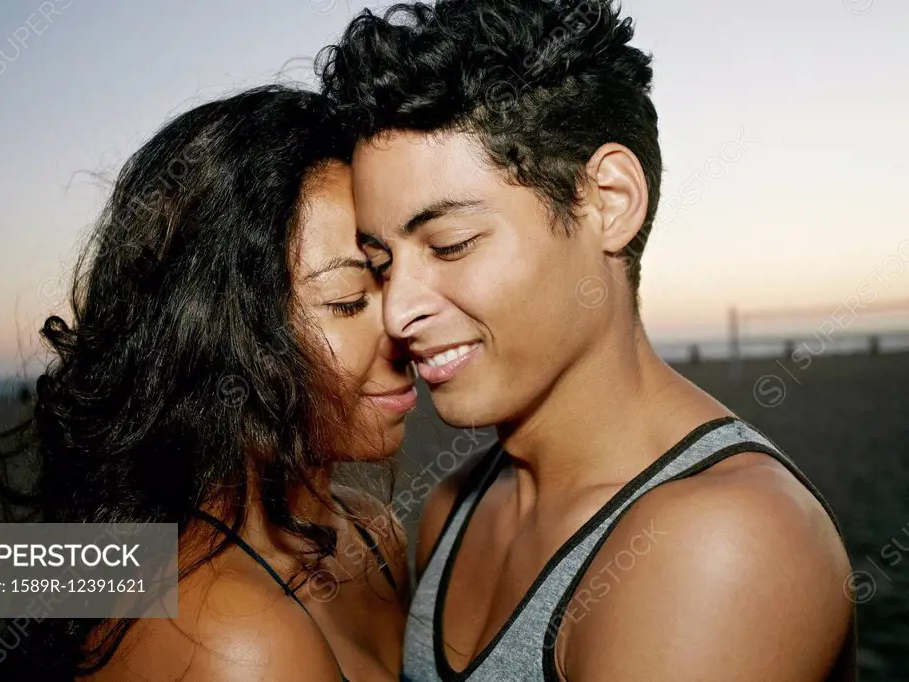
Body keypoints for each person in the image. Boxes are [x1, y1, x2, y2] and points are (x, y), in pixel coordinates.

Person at [318, 1, 858, 680]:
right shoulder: (454, 506)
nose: (397, 311)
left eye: (449, 245)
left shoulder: (723, 543)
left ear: (608, 201)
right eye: (381, 262)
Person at [0, 85, 416, 681]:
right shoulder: (230, 637)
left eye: (394, 279)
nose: (404, 321)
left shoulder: (376, 537)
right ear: (221, 335)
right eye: (346, 302)